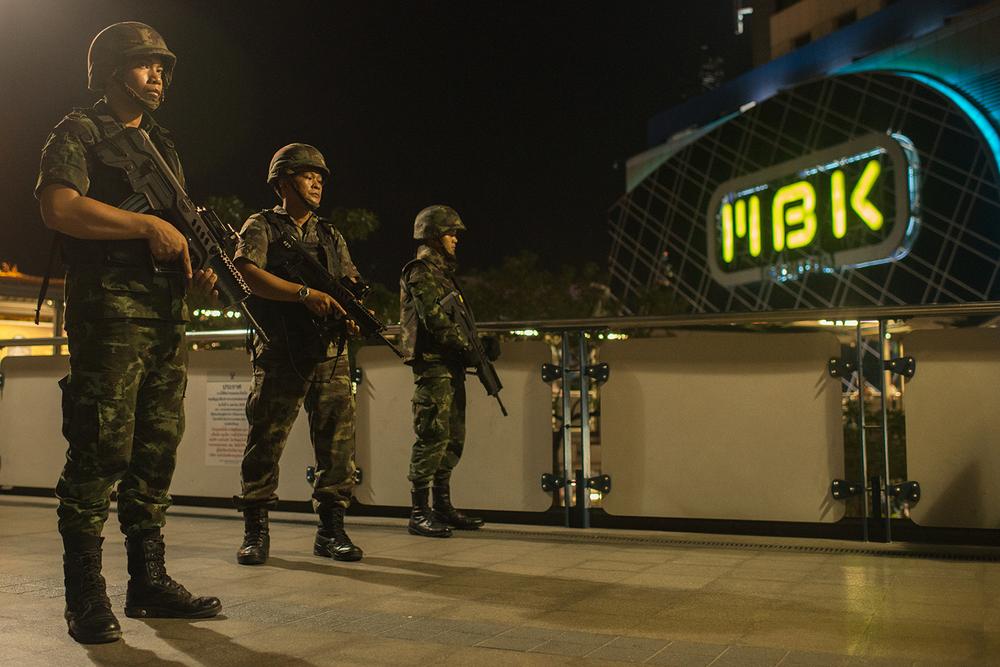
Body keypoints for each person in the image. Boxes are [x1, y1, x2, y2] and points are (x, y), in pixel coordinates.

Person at [36, 22, 222, 645]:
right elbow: (59, 207)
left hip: (166, 317)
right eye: (145, 64)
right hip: (111, 315)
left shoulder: (161, 146)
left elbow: (173, 228)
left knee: (155, 452)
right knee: (99, 450)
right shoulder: (79, 132)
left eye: (163, 66)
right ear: (111, 70)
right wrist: (144, 227)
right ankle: (85, 595)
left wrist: (196, 267)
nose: (158, 75)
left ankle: (148, 581)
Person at [232, 144, 364, 565]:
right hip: (282, 350)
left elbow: (348, 282)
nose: (318, 183)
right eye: (309, 176)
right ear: (284, 182)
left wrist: (351, 313)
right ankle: (256, 531)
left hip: (329, 353)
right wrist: (303, 294)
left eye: (320, 177)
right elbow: (247, 275)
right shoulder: (262, 226)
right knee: (266, 441)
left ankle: (331, 530)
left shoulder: (330, 235)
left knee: (337, 446)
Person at [399, 205, 489, 538]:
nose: (455, 239)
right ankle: (419, 512)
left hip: (450, 365)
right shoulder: (421, 271)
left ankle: (442, 506)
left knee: (452, 437)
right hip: (433, 365)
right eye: (450, 233)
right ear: (435, 235)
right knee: (432, 435)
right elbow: (434, 320)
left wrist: (477, 347)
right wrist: (467, 347)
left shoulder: (442, 273)